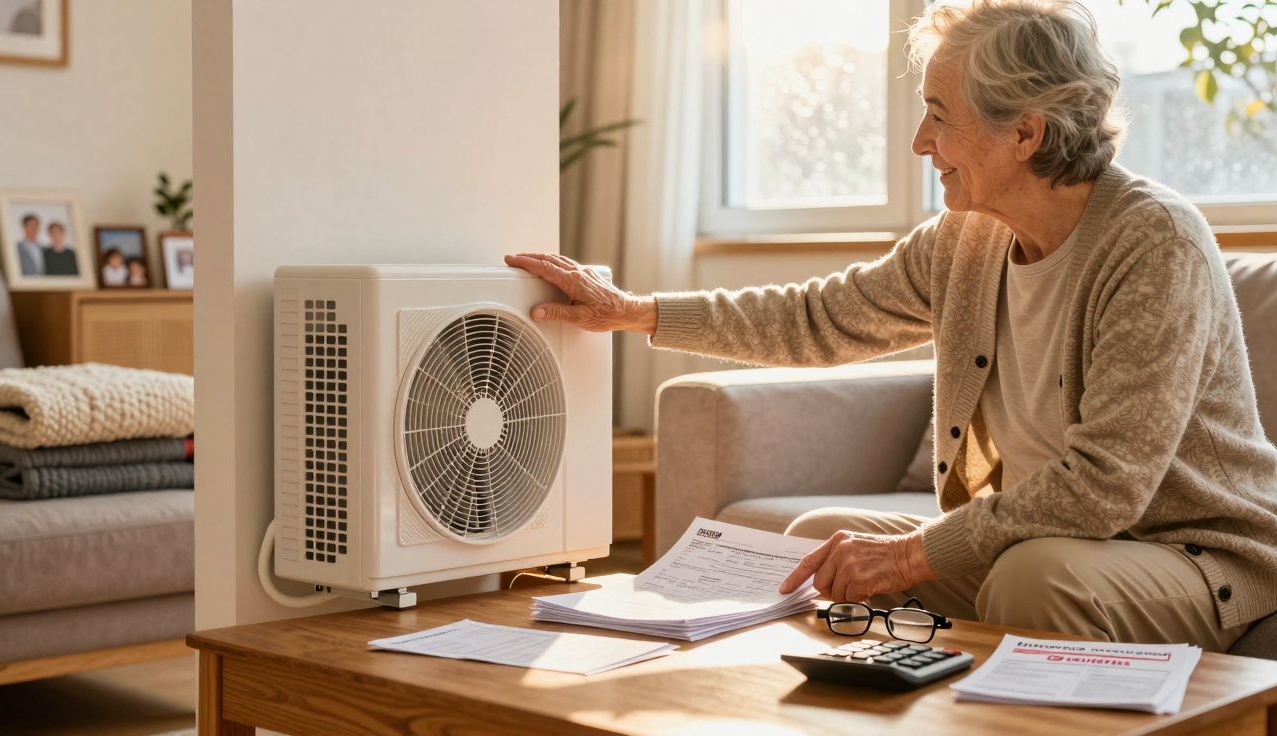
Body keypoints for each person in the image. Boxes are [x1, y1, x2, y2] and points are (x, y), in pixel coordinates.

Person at [506, 0, 1277, 653]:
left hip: (1189, 553)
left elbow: (1105, 488)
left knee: (1030, 577)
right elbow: (819, 318)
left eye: (939, 117)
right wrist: (637, 312)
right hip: (1051, 542)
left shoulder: (1155, 244)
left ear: (1026, 134)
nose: (919, 142)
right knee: (818, 546)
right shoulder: (969, 239)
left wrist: (910, 554)